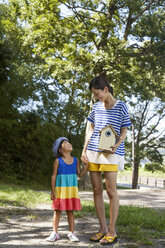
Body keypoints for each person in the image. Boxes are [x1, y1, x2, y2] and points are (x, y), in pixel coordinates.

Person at [81, 76, 131, 246]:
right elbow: (91, 129)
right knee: (96, 190)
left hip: (111, 153)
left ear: (106, 90)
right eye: (94, 95)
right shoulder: (96, 107)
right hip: (93, 151)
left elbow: (124, 130)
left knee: (111, 191)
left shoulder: (121, 106)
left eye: (98, 94)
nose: (97, 97)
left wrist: (117, 145)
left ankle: (112, 231)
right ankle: (102, 228)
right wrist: (84, 150)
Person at [46, 137, 88, 242]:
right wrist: (53, 190)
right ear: (60, 149)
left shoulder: (76, 160)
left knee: (70, 211)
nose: (68, 143)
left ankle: (71, 233)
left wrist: (86, 166)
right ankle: (54, 233)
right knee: (57, 211)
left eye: (68, 141)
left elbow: (80, 174)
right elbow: (53, 176)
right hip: (60, 190)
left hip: (71, 191)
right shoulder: (57, 161)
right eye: (65, 143)